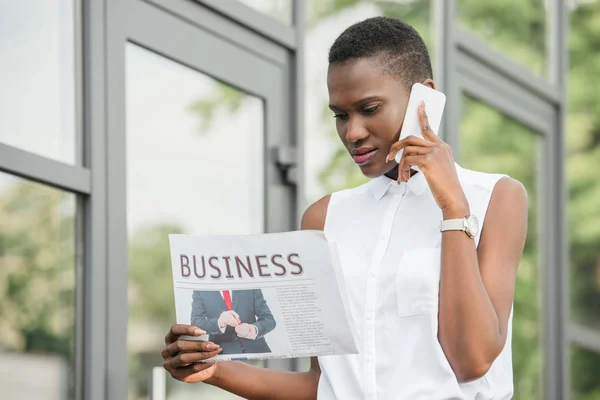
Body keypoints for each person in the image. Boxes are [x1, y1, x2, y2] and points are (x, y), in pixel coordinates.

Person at [161, 16, 527, 400]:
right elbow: (322, 385)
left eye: (369, 108)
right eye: (341, 115)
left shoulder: (494, 198)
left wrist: (453, 208)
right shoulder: (325, 217)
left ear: (424, 99)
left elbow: (472, 361)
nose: (352, 132)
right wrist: (211, 367)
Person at [190, 289, 275, 354]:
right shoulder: (200, 291)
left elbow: (269, 319)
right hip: (222, 353)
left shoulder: (250, 287)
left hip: (258, 350)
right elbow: (196, 322)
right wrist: (219, 323)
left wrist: (253, 329)